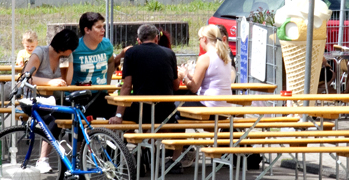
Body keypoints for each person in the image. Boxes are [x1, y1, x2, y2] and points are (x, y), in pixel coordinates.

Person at [111, 23, 181, 170]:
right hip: (165, 112)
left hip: (141, 110)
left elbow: (126, 86)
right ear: (156, 38)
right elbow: (176, 86)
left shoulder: (132, 53)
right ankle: (145, 149)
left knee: (116, 119)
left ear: (138, 40)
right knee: (172, 120)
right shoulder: (169, 53)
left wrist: (118, 114)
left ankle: (135, 151)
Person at [24, 28, 78, 173]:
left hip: (55, 100)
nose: (72, 52)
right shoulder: (40, 53)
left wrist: (70, 62)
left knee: (75, 113)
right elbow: (26, 77)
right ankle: (43, 159)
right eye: (71, 49)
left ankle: (74, 157)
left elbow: (67, 81)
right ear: (65, 47)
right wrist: (49, 82)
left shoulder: (65, 58)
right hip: (33, 100)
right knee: (56, 118)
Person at [69, 12, 127, 118]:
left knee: (123, 114)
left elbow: (110, 61)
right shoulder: (75, 47)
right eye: (99, 27)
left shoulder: (106, 45)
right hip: (80, 97)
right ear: (87, 30)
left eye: (103, 26)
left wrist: (107, 84)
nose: (103, 30)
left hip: (100, 96)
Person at [179, 25, 235, 106]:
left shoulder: (205, 58)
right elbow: (209, 79)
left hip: (209, 105)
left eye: (199, 39)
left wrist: (184, 77)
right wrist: (187, 74)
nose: (200, 42)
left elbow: (194, 88)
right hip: (225, 106)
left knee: (177, 106)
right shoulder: (225, 56)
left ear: (204, 39)